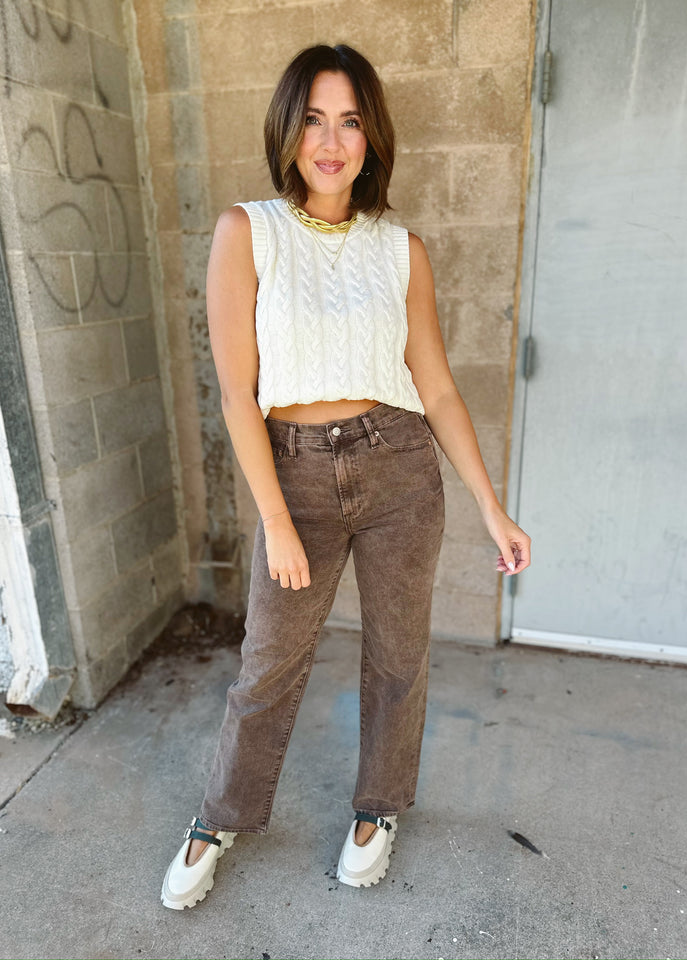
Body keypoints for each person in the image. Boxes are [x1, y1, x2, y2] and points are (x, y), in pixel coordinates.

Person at [161, 43, 530, 910]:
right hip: (291, 472)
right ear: (289, 128)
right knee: (269, 663)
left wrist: (491, 506)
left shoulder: (403, 248)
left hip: (399, 463)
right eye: (316, 118)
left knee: (399, 655)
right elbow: (237, 393)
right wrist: (277, 520)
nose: (333, 140)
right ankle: (219, 816)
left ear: (372, 135)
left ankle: (378, 808)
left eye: (351, 120)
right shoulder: (245, 231)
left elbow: (434, 385)